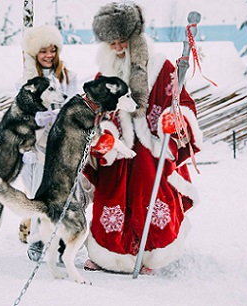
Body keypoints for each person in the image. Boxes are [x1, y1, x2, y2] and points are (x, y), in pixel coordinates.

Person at [82, 1, 202, 274]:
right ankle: (106, 255)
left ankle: (151, 257)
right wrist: (101, 136)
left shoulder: (163, 68)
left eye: (122, 40)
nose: (118, 48)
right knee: (109, 201)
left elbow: (182, 103)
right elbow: (95, 114)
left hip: (152, 152)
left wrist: (178, 120)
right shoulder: (104, 74)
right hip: (116, 152)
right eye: (111, 42)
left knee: (150, 198)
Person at [15, 25, 81, 257]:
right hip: (35, 146)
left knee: (63, 194)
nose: (49, 55)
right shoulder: (26, 81)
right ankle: (37, 241)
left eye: (52, 50)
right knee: (36, 194)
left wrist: (58, 115)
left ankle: (62, 241)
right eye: (43, 51)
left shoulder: (68, 77)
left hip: (61, 145)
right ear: (35, 53)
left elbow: (74, 107)